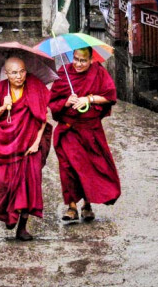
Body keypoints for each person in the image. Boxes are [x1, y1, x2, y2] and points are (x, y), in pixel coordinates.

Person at [49, 47, 121, 223]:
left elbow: (109, 96)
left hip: (90, 131)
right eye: (75, 59)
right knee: (68, 169)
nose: (78, 64)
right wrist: (66, 102)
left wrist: (88, 99)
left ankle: (87, 205)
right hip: (68, 131)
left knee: (88, 168)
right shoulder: (64, 73)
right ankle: (71, 207)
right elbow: (52, 102)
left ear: (91, 60)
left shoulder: (98, 73)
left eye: (83, 60)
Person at [0, 56, 52, 241]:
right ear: (6, 73)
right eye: (14, 72)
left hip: (29, 146)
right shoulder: (0, 89)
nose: (19, 76)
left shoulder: (35, 85)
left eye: (22, 71)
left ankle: (22, 227)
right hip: (5, 145)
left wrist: (36, 142)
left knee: (29, 187)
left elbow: (42, 117)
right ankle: (8, 214)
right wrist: (3, 108)